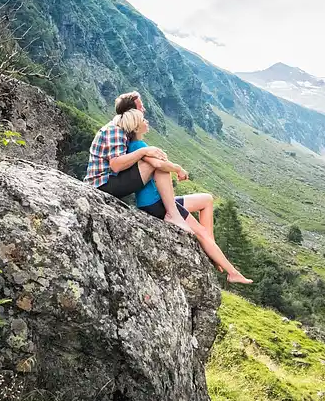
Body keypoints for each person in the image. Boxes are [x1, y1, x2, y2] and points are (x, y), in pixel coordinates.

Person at [120, 107, 252, 284]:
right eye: (143, 120)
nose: (147, 122)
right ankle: (232, 273)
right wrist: (177, 168)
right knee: (201, 233)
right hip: (155, 204)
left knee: (206, 199)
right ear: (136, 128)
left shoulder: (137, 146)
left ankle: (210, 246)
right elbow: (159, 166)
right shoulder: (138, 146)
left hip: (157, 199)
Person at [84, 92, 192, 232]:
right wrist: (144, 152)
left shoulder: (123, 131)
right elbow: (116, 165)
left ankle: (170, 210)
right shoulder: (116, 130)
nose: (144, 110)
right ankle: (172, 213)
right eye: (140, 107)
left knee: (154, 162)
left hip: (109, 181)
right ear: (131, 112)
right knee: (153, 164)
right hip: (102, 184)